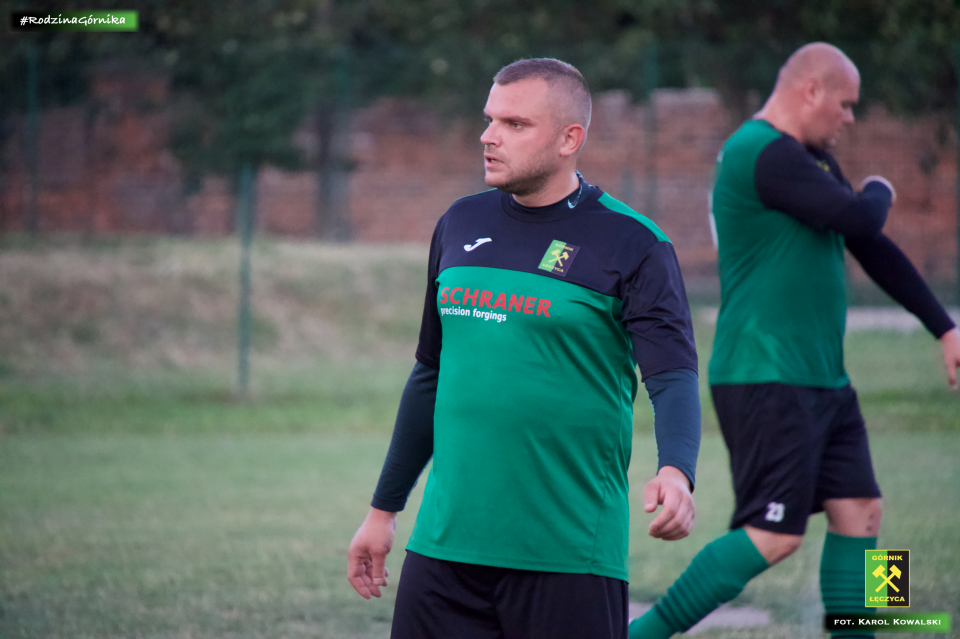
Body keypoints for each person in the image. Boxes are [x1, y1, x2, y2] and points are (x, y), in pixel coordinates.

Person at [347, 58, 703, 639]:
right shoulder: (460, 223)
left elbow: (672, 376)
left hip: (568, 556)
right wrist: (383, 511)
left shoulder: (634, 243)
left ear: (569, 139)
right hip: (442, 552)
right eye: (490, 119)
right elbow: (430, 374)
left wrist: (676, 471)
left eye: (514, 124)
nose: (488, 136)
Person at [629, 43, 960, 639]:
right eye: (846, 104)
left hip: (823, 377)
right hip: (767, 373)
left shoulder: (808, 160)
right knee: (774, 535)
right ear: (811, 91)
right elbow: (863, 218)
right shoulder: (761, 152)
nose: (850, 118)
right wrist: (880, 187)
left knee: (863, 512)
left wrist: (944, 326)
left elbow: (868, 243)